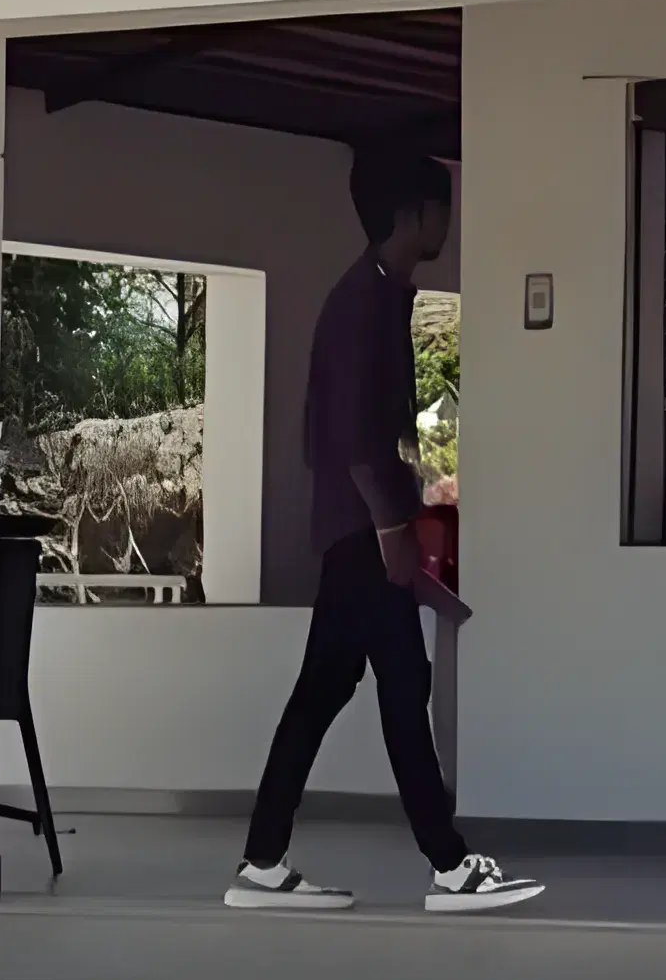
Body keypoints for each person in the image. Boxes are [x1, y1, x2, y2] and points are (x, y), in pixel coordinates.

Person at [231, 143, 543, 914]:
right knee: (405, 684)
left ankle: (264, 863)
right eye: (443, 209)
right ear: (412, 215)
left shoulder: (378, 295)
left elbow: (363, 432)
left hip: (356, 530)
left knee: (323, 690)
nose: (449, 223)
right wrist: (391, 528)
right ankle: (450, 865)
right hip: (362, 530)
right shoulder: (361, 302)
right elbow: (349, 432)